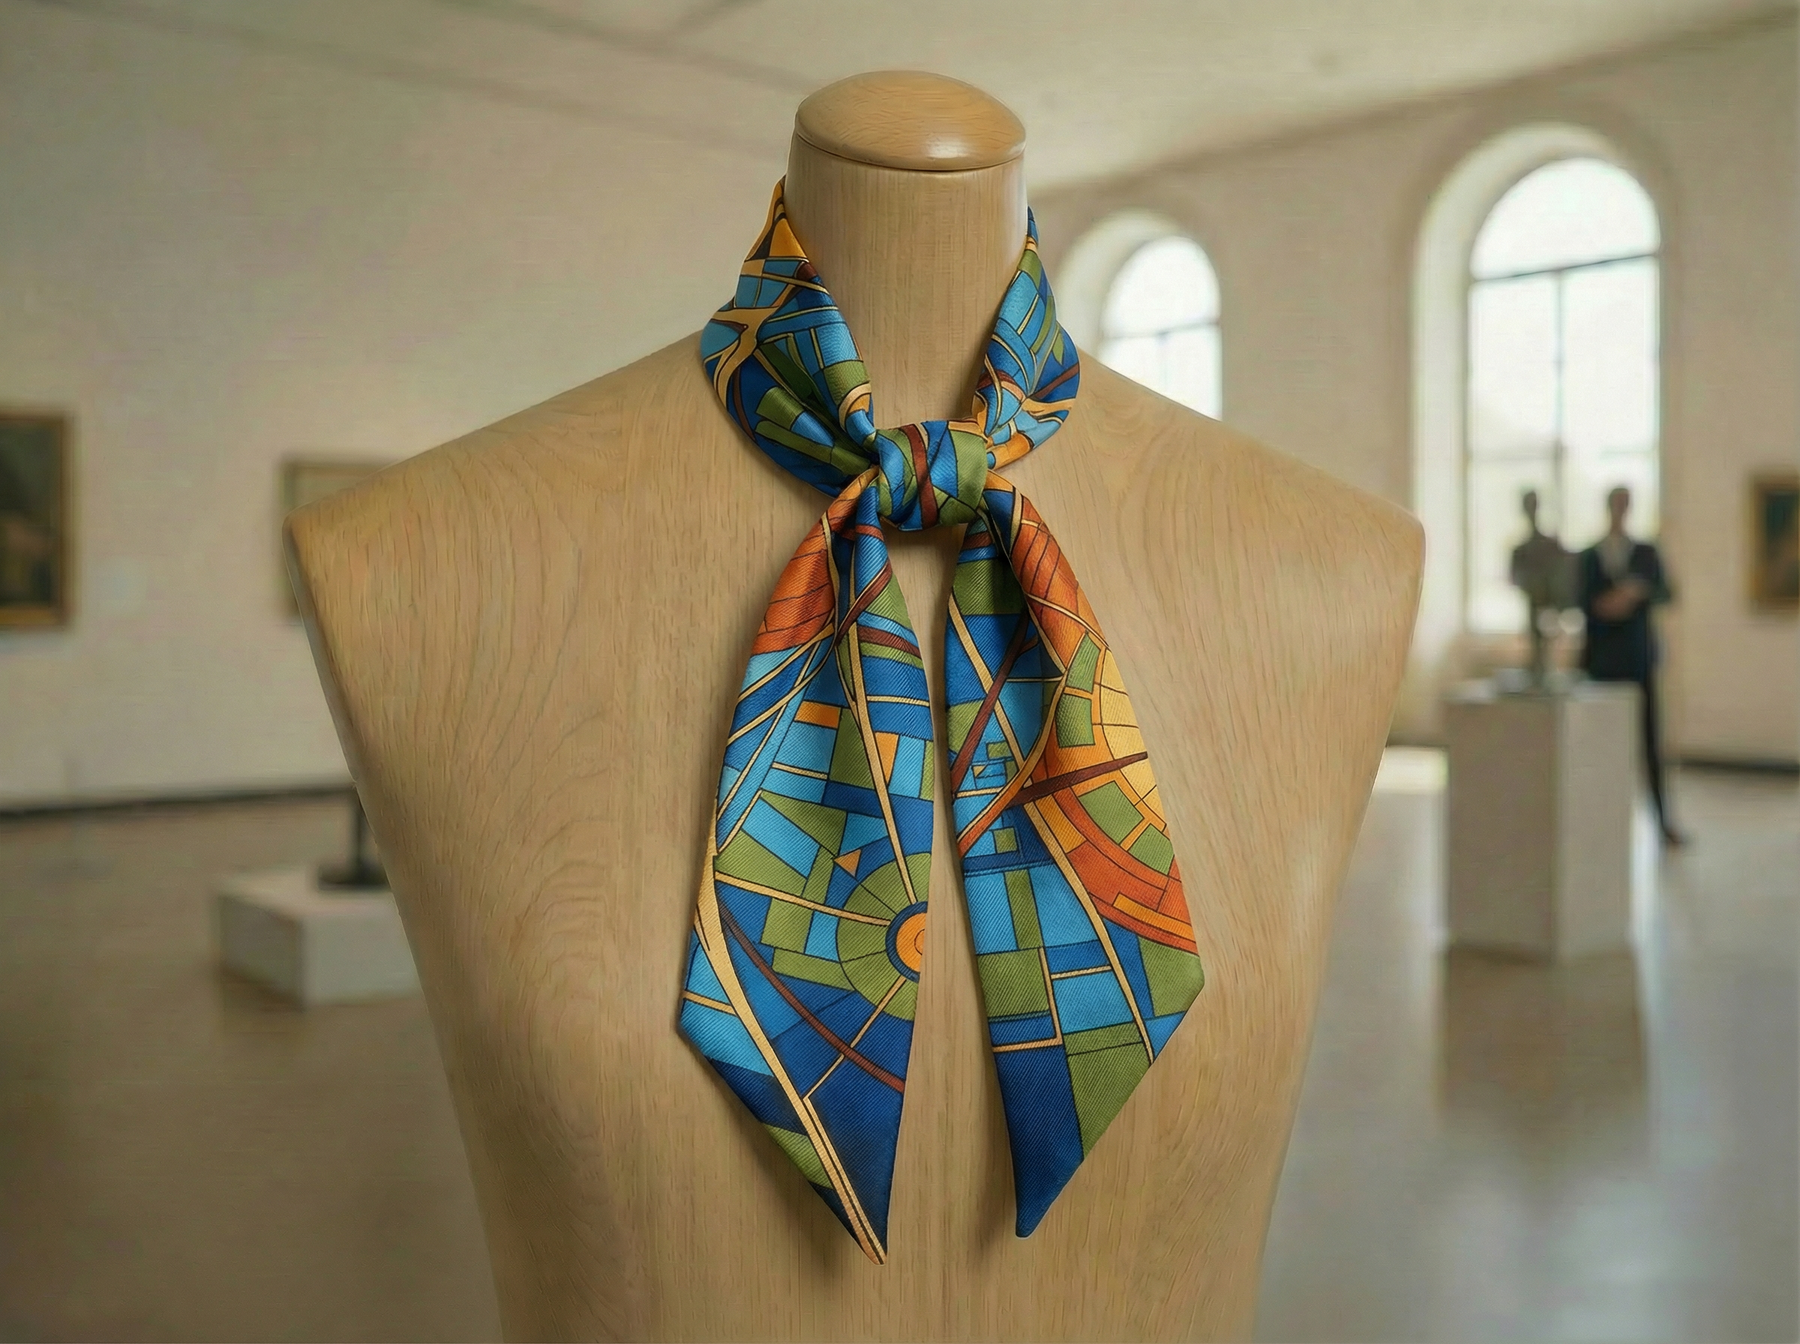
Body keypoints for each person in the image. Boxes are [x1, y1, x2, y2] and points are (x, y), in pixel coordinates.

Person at [1577, 486, 1684, 846]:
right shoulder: (1590, 555)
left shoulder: (1645, 553)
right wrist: (1606, 604)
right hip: (1601, 662)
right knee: (1598, 746)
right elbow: (1580, 600)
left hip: (1638, 659)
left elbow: (1667, 592)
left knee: (1650, 743)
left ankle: (1662, 821)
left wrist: (1637, 592)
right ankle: (1599, 821)